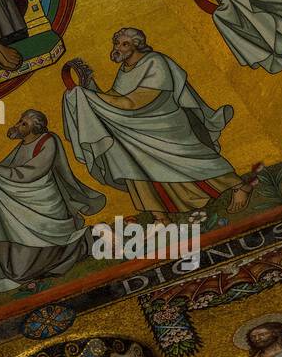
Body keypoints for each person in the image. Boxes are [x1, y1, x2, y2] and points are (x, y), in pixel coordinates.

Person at [62, 27, 252, 219]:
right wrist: (89, 91)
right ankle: (161, 218)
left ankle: (239, 185)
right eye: (117, 44)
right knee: (134, 167)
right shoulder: (126, 68)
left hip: (165, 125)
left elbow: (134, 102)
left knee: (192, 160)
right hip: (137, 129)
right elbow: (116, 96)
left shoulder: (156, 62)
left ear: (137, 45)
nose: (118, 48)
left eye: (124, 44)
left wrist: (90, 97)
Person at [0, 110, 105, 292]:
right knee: (19, 269)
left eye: (24, 124)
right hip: (25, 208)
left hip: (46, 206)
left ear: (35, 129)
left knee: (38, 257)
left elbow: (31, 172)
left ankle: (82, 243)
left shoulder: (48, 141)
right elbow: (6, 169)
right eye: (20, 121)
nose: (18, 125)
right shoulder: (22, 146)